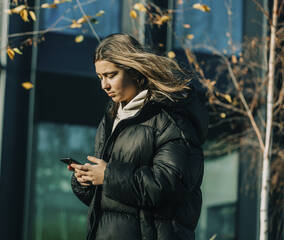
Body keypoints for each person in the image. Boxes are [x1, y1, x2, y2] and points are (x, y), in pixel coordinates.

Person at [68, 33, 208, 240]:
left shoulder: (170, 119)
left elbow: (170, 185)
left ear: (134, 71)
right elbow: (115, 202)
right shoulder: (112, 118)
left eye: (111, 75)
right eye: (100, 77)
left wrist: (108, 176)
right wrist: (88, 180)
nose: (104, 85)